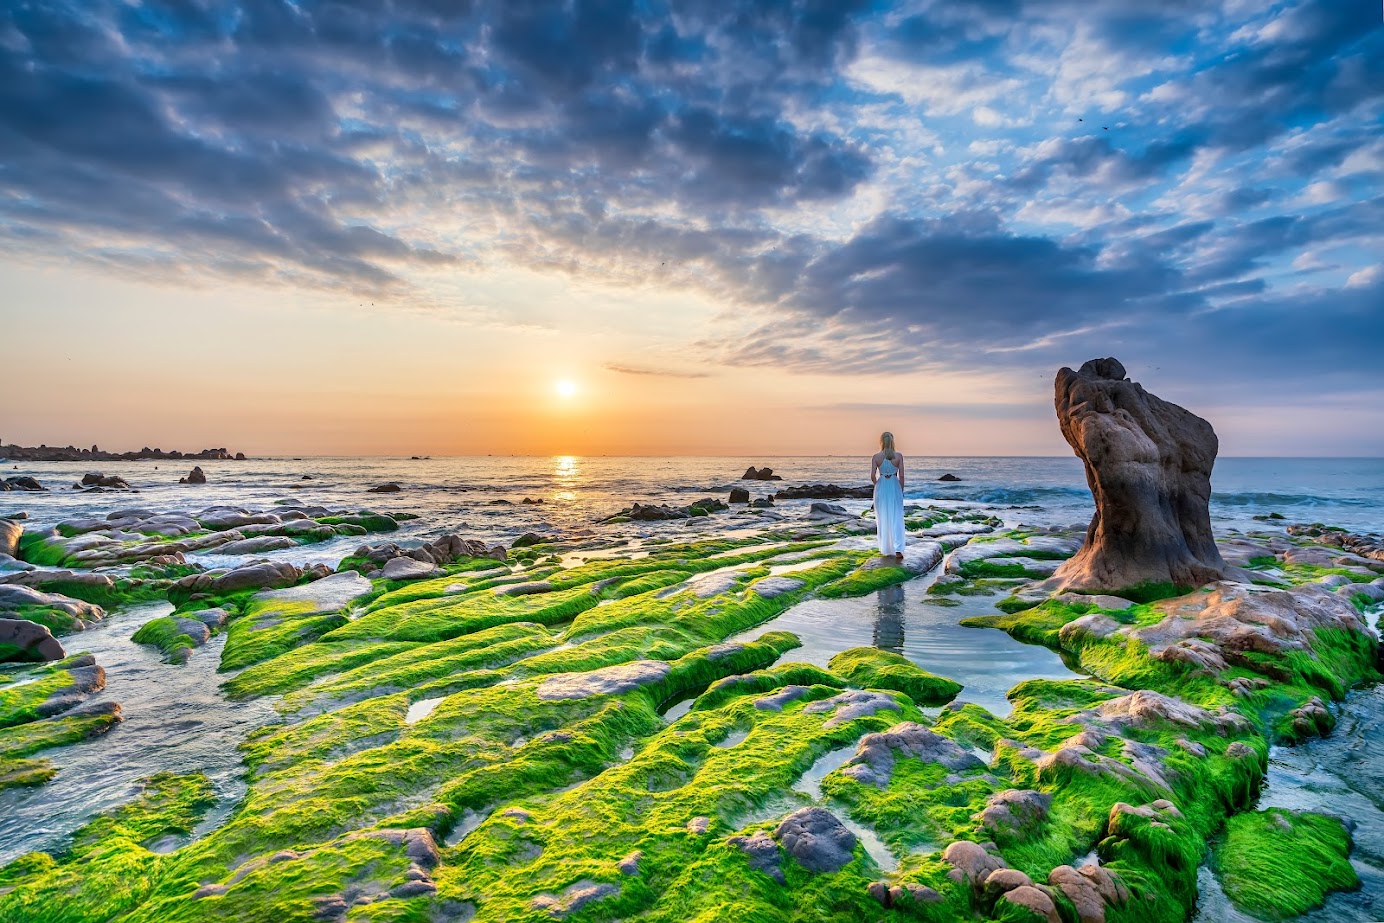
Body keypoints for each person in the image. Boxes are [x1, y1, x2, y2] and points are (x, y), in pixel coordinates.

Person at [871, 432, 906, 559]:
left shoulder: (876, 457)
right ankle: (898, 549)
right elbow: (901, 476)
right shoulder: (898, 456)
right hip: (894, 485)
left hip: (881, 486)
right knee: (896, 516)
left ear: (881, 441)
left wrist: (878, 485)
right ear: (892, 441)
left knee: (883, 517)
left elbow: (872, 476)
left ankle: (885, 548)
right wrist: (900, 490)